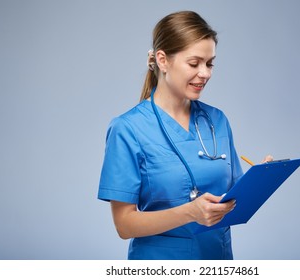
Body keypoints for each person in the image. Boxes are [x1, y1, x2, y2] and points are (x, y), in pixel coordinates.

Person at [98, 11, 271, 260]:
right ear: (162, 60)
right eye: (194, 63)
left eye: (210, 63)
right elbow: (124, 225)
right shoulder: (128, 129)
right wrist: (190, 212)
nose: (205, 73)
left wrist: (260, 180)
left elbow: (233, 200)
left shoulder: (218, 121)